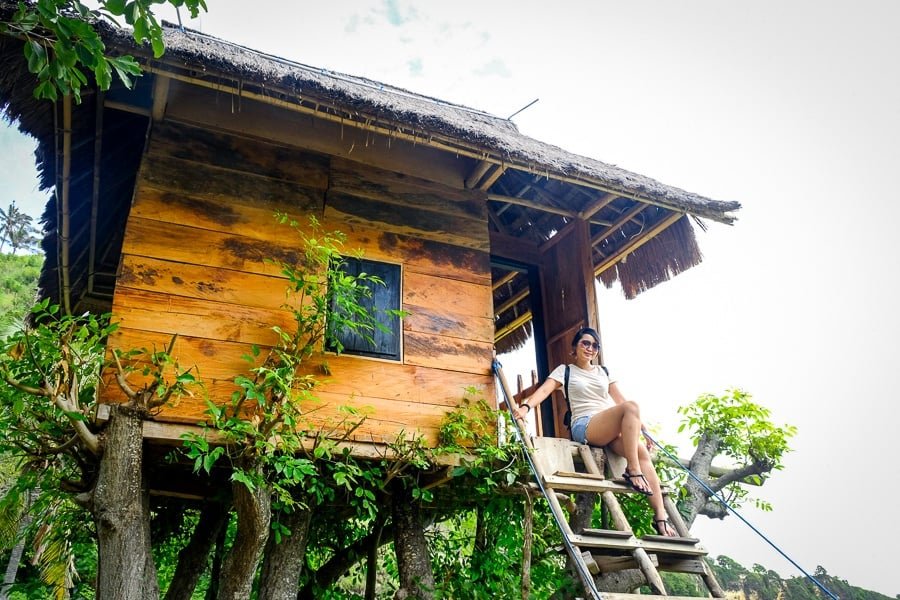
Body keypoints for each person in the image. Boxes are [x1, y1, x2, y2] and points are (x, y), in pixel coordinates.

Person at [512, 327, 677, 537]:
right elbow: (544, 390)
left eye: (594, 345)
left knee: (642, 450)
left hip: (608, 427)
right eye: (585, 343)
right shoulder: (565, 370)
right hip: (585, 424)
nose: (590, 348)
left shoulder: (604, 372)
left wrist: (644, 429)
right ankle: (632, 471)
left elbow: (621, 401)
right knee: (632, 408)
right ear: (575, 347)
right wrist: (526, 407)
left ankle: (660, 519)